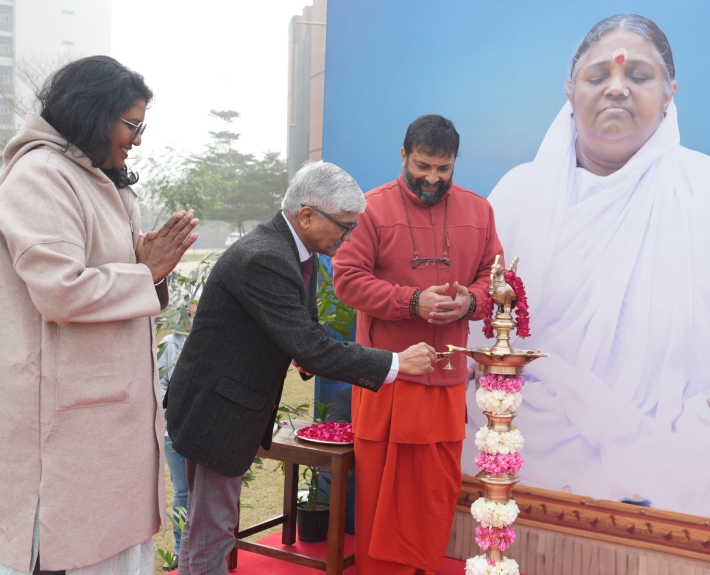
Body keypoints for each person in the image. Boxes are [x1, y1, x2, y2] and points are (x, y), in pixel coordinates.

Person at [464, 14, 710, 531]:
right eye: (597, 76)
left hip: (689, 433)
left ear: (670, 93)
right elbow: (473, 325)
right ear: (570, 91)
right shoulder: (519, 194)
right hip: (537, 428)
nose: (616, 88)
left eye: (639, 76)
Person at [165, 161, 436, 575]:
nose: (349, 237)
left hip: (221, 403)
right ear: (307, 215)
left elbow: (298, 331)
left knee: (208, 529)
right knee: (213, 531)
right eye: (344, 226)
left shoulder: (291, 248)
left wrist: (300, 348)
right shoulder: (266, 257)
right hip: (216, 411)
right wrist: (396, 362)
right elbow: (310, 346)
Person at [0, 56, 199, 575]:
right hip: (67, 424)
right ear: (91, 112)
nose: (137, 140)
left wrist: (149, 267)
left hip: (109, 422)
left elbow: (120, 276)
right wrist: (144, 272)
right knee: (67, 551)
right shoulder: (40, 175)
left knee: (113, 547)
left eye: (142, 126)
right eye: (132, 125)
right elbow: (61, 291)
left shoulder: (106, 181)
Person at [332, 115, 503, 574]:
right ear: (404, 155)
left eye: (444, 169)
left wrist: (470, 301)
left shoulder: (479, 211)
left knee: (433, 495)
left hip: (445, 381)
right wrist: (411, 303)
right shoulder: (369, 208)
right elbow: (346, 281)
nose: (433, 178)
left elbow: (495, 278)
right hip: (387, 377)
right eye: (424, 166)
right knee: (382, 499)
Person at [158, 291, 201, 570]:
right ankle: (179, 549)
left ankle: (202, 549)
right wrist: (174, 415)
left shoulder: (212, 342)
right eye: (192, 311)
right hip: (174, 433)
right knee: (184, 491)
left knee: (207, 492)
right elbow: (158, 387)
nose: (195, 317)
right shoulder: (168, 345)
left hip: (204, 432)